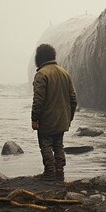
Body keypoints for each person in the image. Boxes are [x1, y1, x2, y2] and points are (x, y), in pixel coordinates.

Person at [32, 43, 77, 182]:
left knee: (45, 144)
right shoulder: (64, 72)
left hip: (47, 119)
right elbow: (73, 99)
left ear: (39, 58)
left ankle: (49, 172)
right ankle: (59, 171)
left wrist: (34, 118)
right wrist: (69, 117)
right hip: (62, 118)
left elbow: (38, 100)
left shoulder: (42, 74)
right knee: (58, 145)